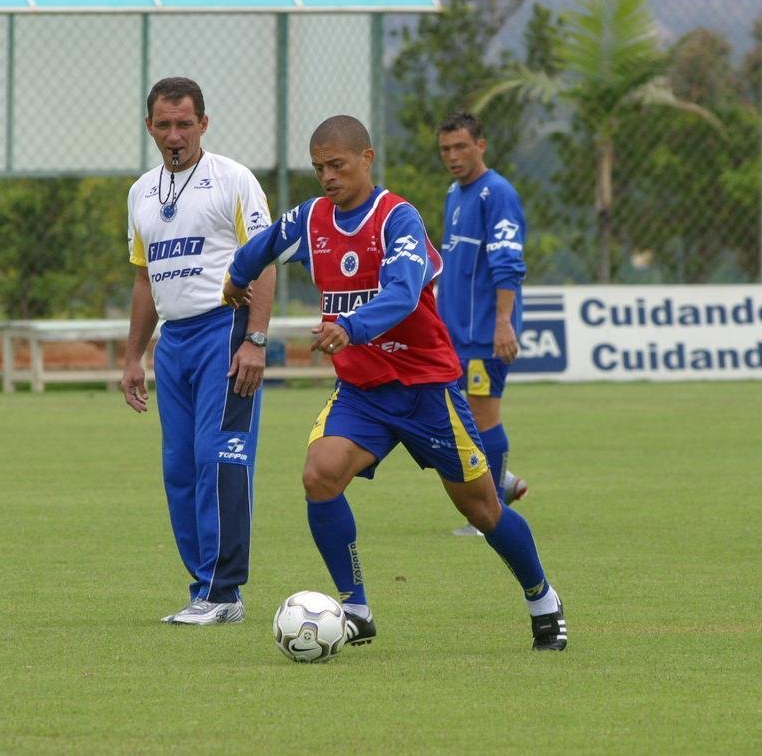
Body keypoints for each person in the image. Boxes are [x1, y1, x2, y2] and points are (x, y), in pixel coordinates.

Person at [222, 115, 567, 650]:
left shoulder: (397, 219)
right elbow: (262, 245)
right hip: (363, 394)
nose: (327, 177)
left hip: (427, 390)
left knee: (482, 509)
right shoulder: (312, 217)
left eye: (337, 165)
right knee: (319, 475)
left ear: (367, 158)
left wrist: (350, 328)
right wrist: (237, 278)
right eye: (318, 168)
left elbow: (404, 293)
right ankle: (356, 607)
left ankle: (542, 597)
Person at [122, 77, 277, 621]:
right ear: (149, 127)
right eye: (163, 125)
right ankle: (202, 589)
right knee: (180, 468)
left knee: (220, 458)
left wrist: (255, 340)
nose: (174, 135)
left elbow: (264, 260)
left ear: (203, 124)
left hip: (225, 331)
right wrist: (134, 356)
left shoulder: (233, 180)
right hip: (174, 342)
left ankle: (225, 590)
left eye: (184, 124)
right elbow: (145, 280)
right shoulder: (141, 192)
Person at [436, 111, 531, 537]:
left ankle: (489, 510)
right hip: (454, 333)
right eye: (445, 149)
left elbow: (508, 262)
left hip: (483, 334)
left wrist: (503, 323)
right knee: (454, 420)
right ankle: (503, 482)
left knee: (483, 417)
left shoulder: (498, 194)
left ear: (481, 145)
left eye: (461, 147)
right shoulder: (455, 194)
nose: (453, 156)